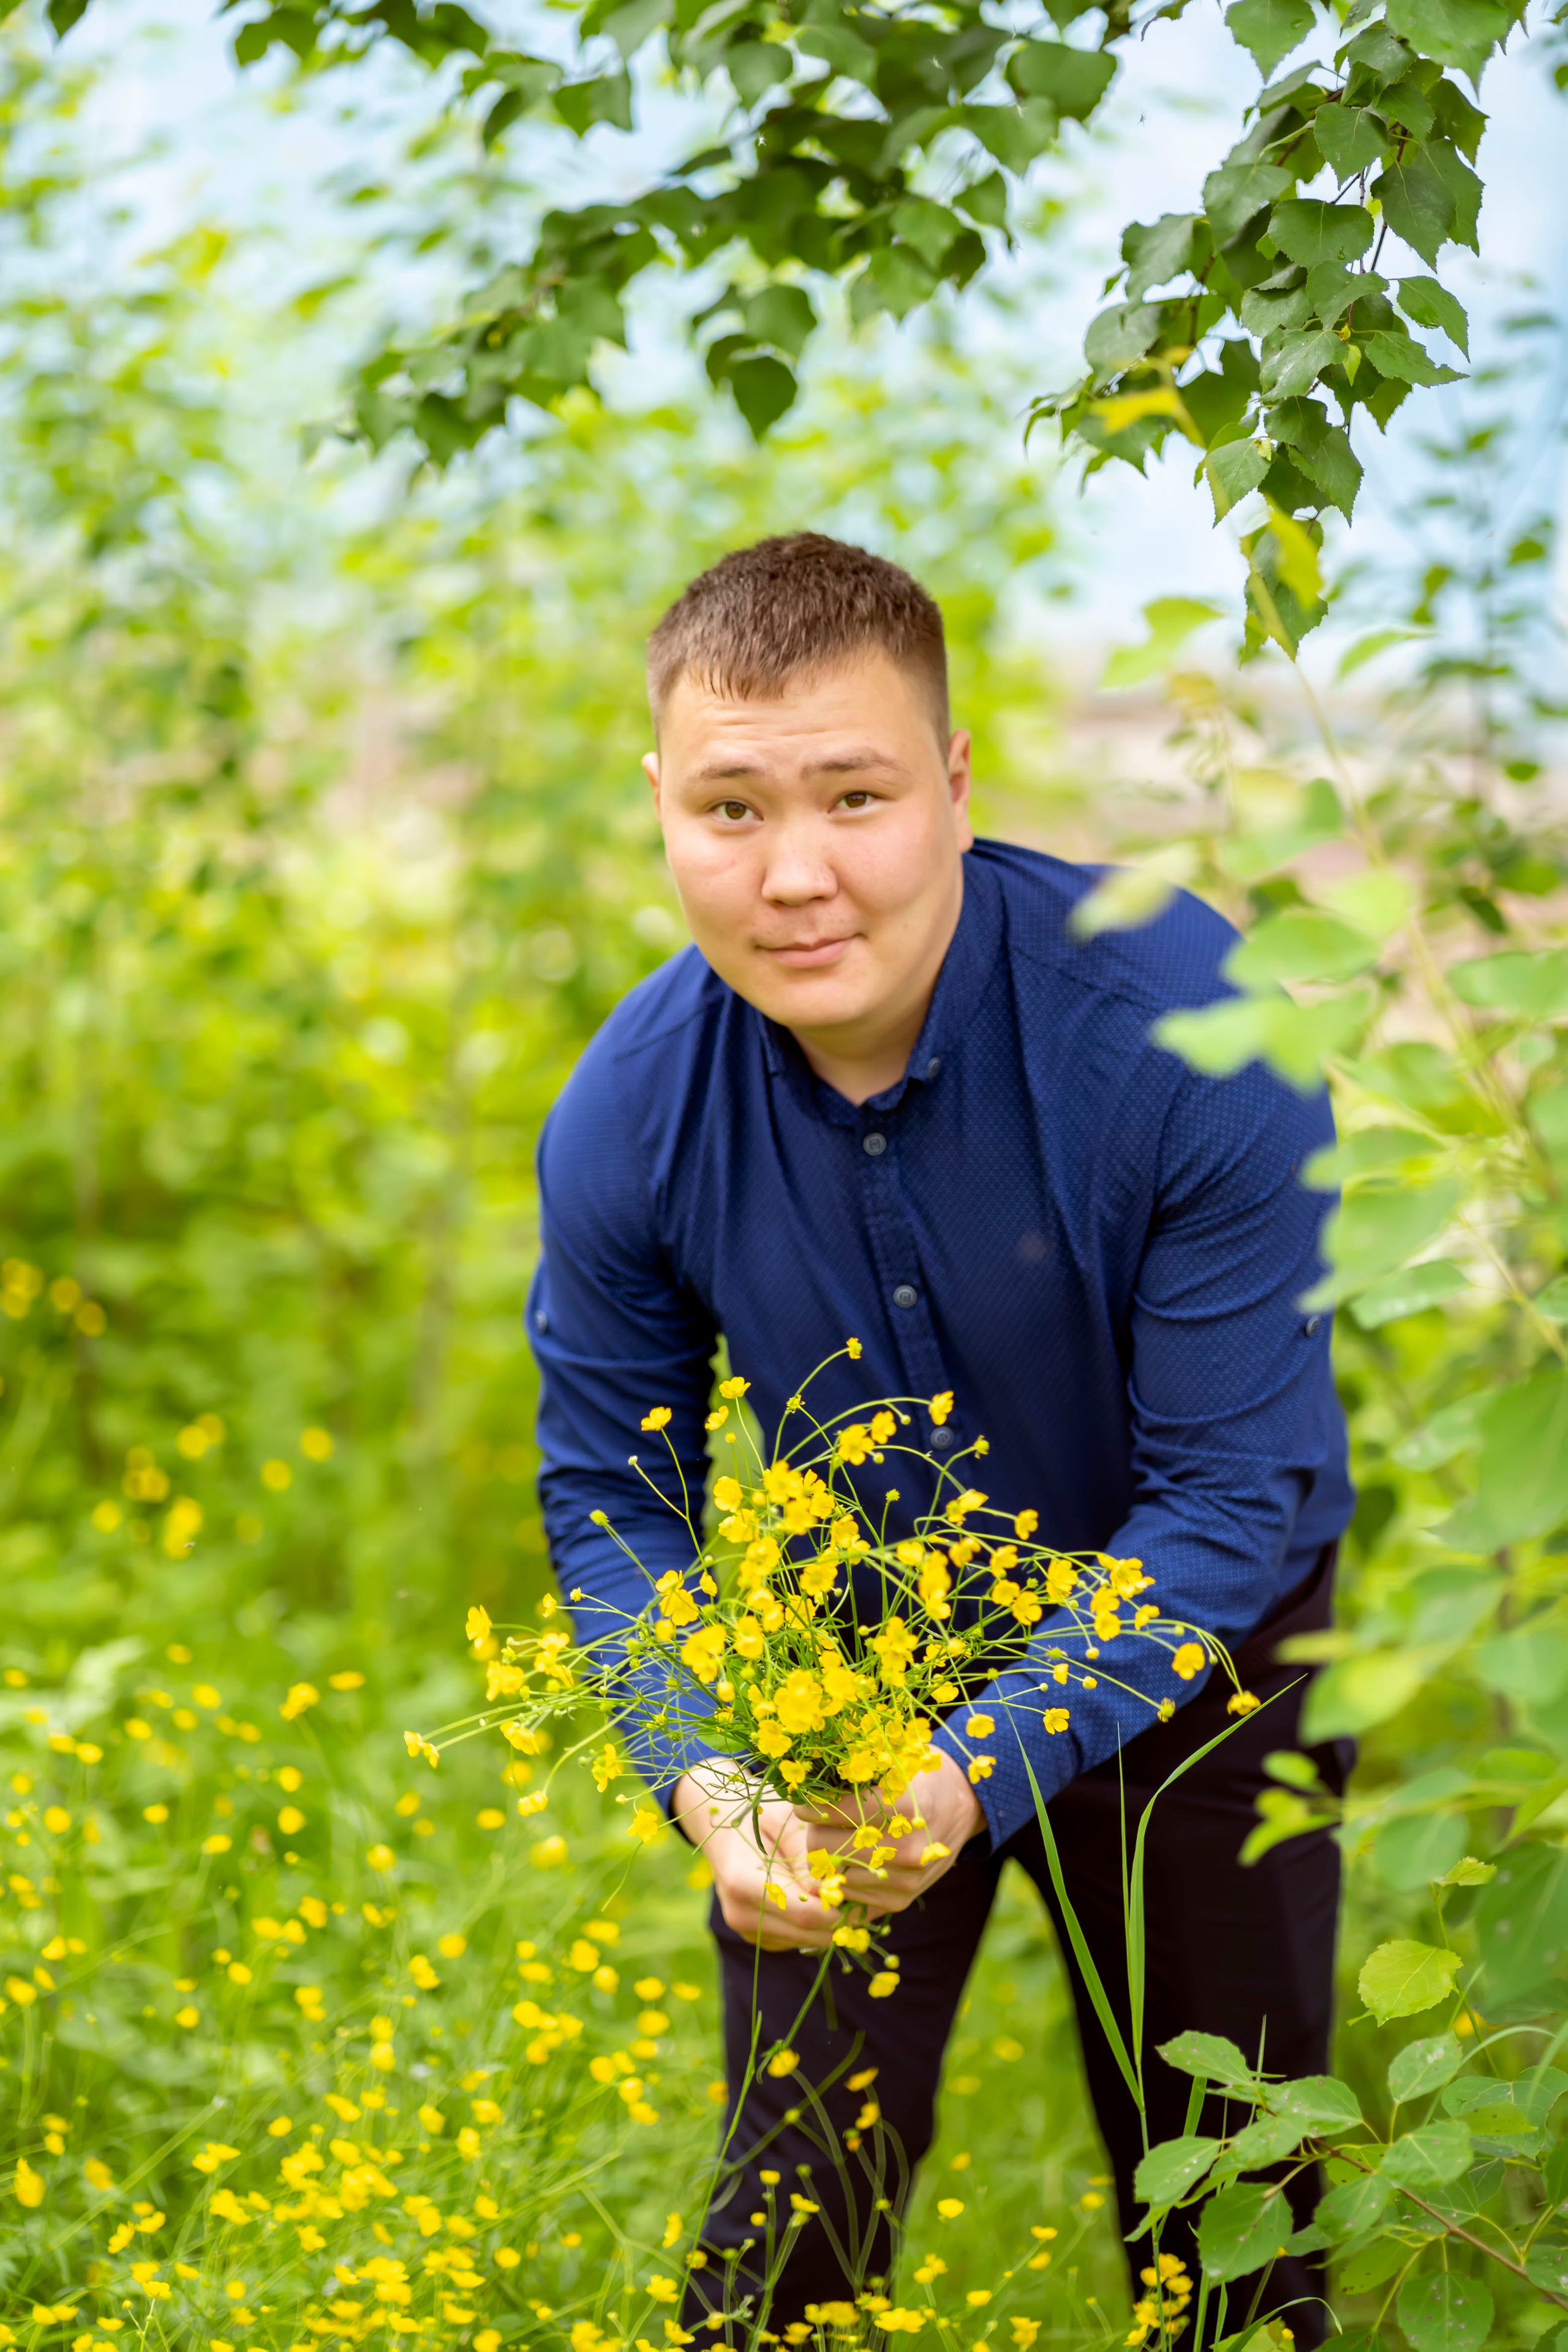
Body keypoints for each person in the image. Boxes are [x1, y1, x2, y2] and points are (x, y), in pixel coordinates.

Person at [526, 534, 1354, 2349]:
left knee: (1230, 2206)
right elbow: (609, 1489)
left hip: (1202, 1631)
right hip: (855, 1652)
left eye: (857, 795)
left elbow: (1232, 1494)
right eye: (731, 807)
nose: (796, 872)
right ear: (661, 804)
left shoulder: (1190, 1036)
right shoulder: (627, 1112)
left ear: (958, 787)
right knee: (791, 2222)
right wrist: (702, 1767)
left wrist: (985, 1767)